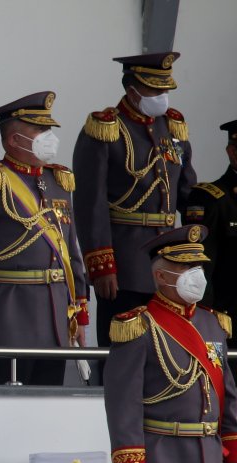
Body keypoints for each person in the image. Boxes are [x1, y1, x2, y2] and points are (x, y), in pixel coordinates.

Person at [0, 92, 89, 385]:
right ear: (13, 140)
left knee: (49, 400)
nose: (48, 137)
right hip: (10, 316)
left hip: (55, 316)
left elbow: (70, 252)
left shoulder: (58, 181)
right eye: (39, 131)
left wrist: (79, 313)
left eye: (48, 130)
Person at [73, 51, 197, 346]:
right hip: (126, 259)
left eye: (165, 89)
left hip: (169, 261)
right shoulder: (105, 128)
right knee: (123, 348)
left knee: (167, 347)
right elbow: (91, 203)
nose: (162, 96)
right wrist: (102, 264)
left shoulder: (173, 127)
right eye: (155, 89)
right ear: (132, 89)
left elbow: (188, 193)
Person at [103, 226, 236, 463]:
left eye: (198, 266)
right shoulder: (138, 326)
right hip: (162, 459)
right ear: (161, 276)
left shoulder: (213, 324)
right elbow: (123, 405)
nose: (196, 274)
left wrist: (233, 454)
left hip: (212, 458)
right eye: (186, 268)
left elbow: (228, 395)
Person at [184, 118, 237, 342]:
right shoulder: (210, 198)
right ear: (233, 152)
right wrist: (205, 324)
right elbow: (200, 267)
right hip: (229, 322)